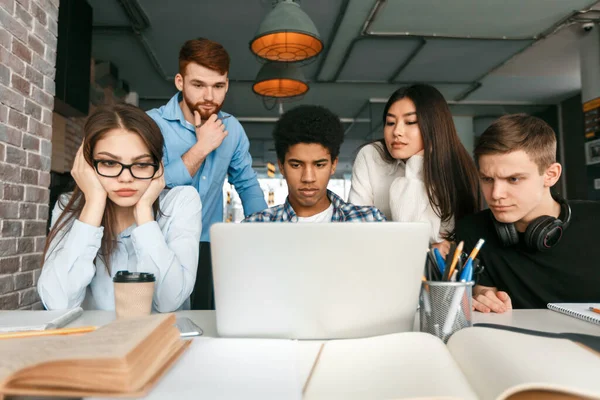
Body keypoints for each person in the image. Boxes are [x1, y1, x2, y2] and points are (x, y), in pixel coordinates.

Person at [38, 104, 202, 312]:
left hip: (159, 341)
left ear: (158, 166)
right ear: (88, 164)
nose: (126, 178)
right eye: (109, 163)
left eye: (141, 165)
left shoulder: (181, 202)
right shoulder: (69, 207)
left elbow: (168, 301)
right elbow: (58, 303)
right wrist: (94, 203)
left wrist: (144, 212)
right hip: (94, 342)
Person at [147, 38, 267, 309]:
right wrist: (201, 148)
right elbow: (151, 185)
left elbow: (247, 185)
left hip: (206, 246)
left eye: (218, 86)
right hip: (157, 241)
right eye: (198, 85)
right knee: (160, 320)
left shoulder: (232, 129)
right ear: (180, 82)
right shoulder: (151, 124)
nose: (210, 97)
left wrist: (266, 235)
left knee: (204, 322)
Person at [456, 114, 600, 312]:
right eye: (487, 179)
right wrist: (484, 299)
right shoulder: (472, 231)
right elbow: (486, 300)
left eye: (514, 179)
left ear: (551, 175)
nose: (496, 195)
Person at [349, 84, 480, 255]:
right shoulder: (371, 156)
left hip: (436, 275)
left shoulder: (455, 168)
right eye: (390, 122)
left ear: (434, 127)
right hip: (376, 262)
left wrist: (417, 164)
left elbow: (435, 242)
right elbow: (356, 231)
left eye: (410, 122)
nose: (397, 131)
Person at [244, 105, 385, 222]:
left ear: (333, 165)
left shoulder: (369, 220)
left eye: (319, 165)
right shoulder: (255, 226)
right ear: (281, 166)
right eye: (296, 165)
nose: (308, 178)